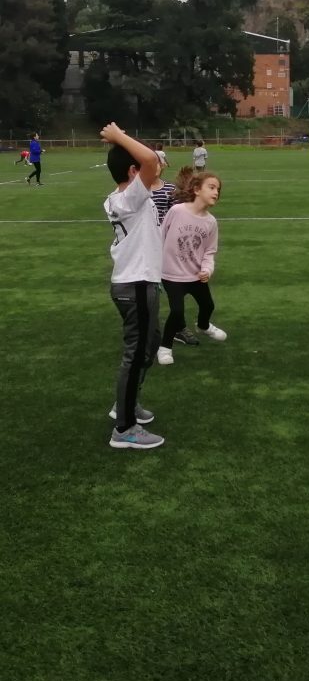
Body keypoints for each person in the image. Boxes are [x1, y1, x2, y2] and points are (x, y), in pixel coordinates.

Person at [102, 122, 165, 450]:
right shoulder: (130, 197)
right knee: (136, 352)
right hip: (136, 284)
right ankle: (124, 428)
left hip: (139, 282)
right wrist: (120, 137)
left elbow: (152, 164)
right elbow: (151, 160)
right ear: (132, 171)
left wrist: (124, 143)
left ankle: (126, 404)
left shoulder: (126, 197)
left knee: (149, 344)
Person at [157, 169, 226, 366]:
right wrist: (154, 265)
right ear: (197, 189)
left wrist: (207, 270)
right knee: (177, 312)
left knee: (208, 305)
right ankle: (165, 348)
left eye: (218, 189)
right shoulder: (177, 211)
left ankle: (203, 326)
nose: (216, 192)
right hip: (171, 275)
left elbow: (209, 252)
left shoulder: (211, 222)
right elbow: (160, 236)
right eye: (211, 187)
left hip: (195, 276)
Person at [151, 155, 199, 348]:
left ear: (162, 165)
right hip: (145, 248)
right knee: (148, 293)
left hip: (167, 249)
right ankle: (148, 329)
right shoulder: (137, 191)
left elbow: (180, 217)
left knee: (175, 291)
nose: (154, 167)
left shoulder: (170, 190)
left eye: (157, 163)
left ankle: (179, 327)